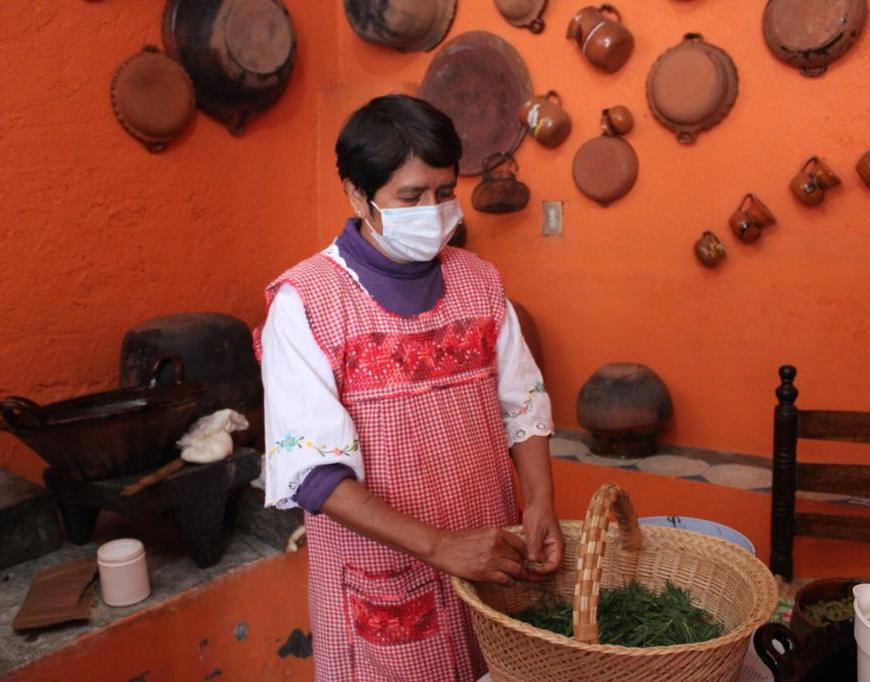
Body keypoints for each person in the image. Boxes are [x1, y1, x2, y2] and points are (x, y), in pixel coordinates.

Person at [257, 94, 562, 681]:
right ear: (355, 193)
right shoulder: (308, 304)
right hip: (383, 575)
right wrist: (441, 547)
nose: (434, 209)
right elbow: (315, 474)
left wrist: (539, 500)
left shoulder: (478, 281)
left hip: (493, 557)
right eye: (411, 197)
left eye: (445, 192)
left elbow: (523, 404)